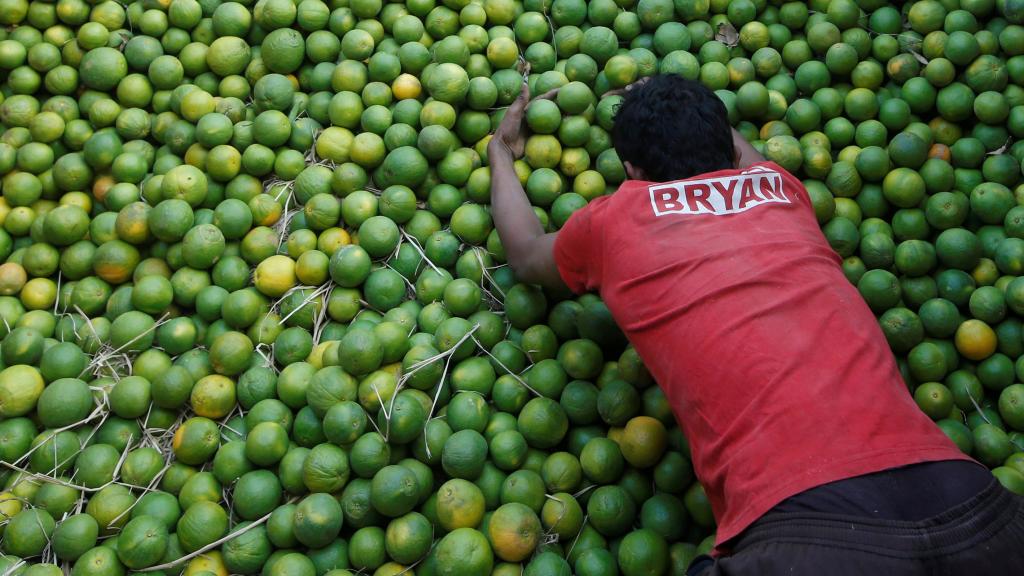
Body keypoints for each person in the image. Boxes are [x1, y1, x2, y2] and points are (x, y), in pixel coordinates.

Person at [487, 73, 1024, 575]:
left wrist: (500, 153)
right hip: (979, 505)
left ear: (630, 170)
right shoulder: (783, 191)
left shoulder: (612, 221)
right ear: (727, 146)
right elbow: (744, 158)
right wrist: (687, 104)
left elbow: (527, 255)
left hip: (811, 535)